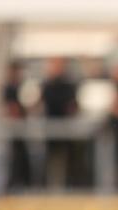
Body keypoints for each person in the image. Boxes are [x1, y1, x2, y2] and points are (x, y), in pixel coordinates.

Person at [40, 57, 80, 188]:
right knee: (52, 161)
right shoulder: (46, 85)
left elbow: (73, 107)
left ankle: (69, 185)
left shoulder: (68, 85)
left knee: (68, 161)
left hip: (66, 130)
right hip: (50, 129)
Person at [1, 61, 31, 190]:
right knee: (15, 156)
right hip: (13, 127)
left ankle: (24, 181)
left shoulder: (21, 87)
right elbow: (8, 108)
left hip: (21, 127)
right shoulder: (8, 88)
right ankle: (15, 182)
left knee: (22, 155)